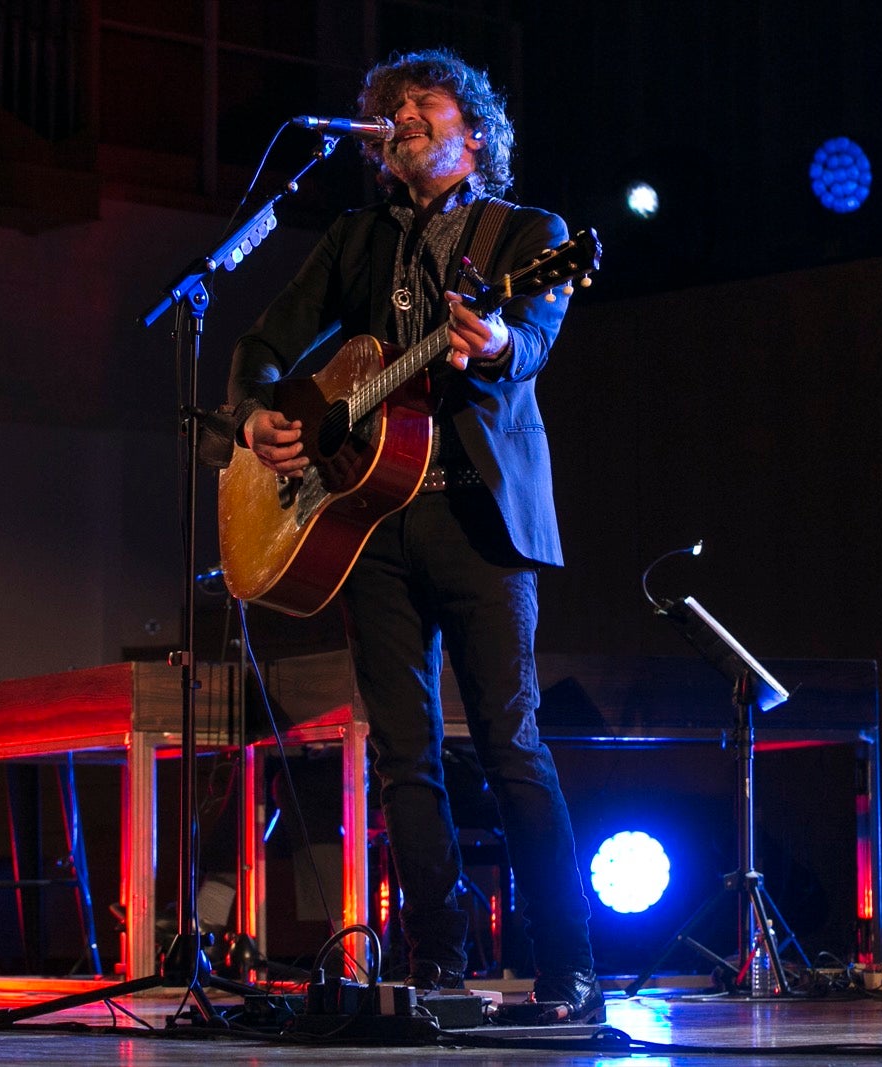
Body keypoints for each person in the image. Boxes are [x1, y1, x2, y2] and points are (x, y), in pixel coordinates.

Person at [227, 47, 601, 1021]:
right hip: (370, 526)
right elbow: (269, 340)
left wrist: (503, 341)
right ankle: (437, 959)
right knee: (403, 751)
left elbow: (536, 340)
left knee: (511, 739)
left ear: (473, 131)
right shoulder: (354, 238)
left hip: (477, 511)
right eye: (390, 108)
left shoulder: (529, 232)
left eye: (424, 103)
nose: (404, 117)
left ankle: (567, 960)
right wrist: (261, 407)